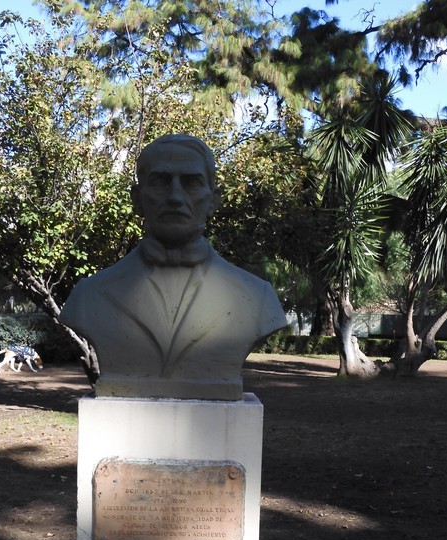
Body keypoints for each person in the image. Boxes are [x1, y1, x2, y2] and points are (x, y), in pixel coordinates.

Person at [60, 134, 288, 401]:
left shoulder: (257, 298)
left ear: (214, 199)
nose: (175, 197)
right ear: (137, 199)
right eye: (160, 182)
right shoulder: (91, 295)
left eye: (191, 183)